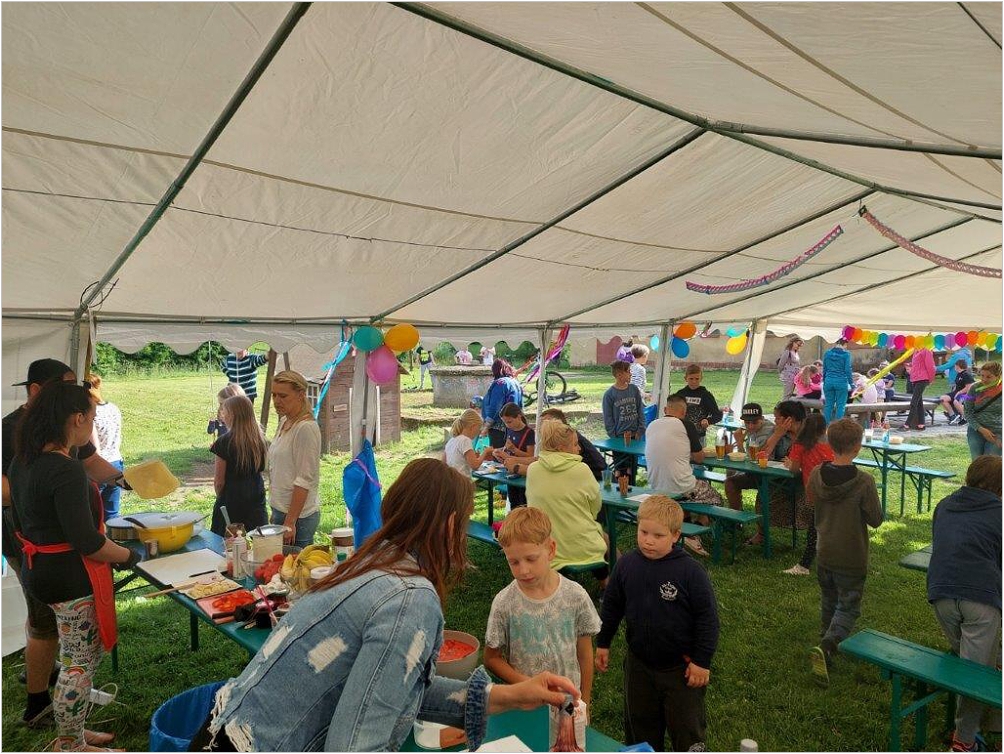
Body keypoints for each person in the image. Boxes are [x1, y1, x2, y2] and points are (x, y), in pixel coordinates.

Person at [195, 458, 579, 752]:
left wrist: (513, 695)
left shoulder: (369, 561)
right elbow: (356, 747)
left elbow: (393, 686)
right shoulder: (410, 599)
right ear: (450, 526)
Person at [8, 381, 140, 751]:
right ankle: (69, 744)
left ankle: (74, 733)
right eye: (92, 419)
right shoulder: (65, 469)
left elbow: (18, 521)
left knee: (73, 657)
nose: (92, 427)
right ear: (77, 419)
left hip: (38, 569)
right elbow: (88, 541)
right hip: (69, 577)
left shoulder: (22, 461)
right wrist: (130, 556)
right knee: (79, 663)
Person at [595, 496, 719, 752]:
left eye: (658, 535)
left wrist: (701, 662)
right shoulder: (626, 564)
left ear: (675, 535)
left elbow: (707, 619)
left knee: (686, 730)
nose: (648, 540)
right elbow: (613, 606)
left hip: (681, 670)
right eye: (643, 532)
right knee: (640, 730)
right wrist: (603, 643)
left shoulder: (690, 572)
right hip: (639, 665)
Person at [485, 508, 601, 704]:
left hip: (568, 702)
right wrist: (528, 685)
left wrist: (585, 702)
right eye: (513, 562)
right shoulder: (504, 602)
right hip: (526, 704)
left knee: (567, 726)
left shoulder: (576, 596)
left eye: (531, 559)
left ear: (551, 550)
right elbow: (491, 658)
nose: (523, 570)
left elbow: (584, 652)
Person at [927, 455, 1001, 753]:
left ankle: (993, 722)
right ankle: (965, 740)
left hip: (941, 593)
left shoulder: (945, 504)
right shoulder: (999, 512)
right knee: (975, 670)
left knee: (978, 660)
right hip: (980, 598)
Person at [808, 418, 883, 686]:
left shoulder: (816, 473)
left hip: (824, 550)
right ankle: (828, 645)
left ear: (830, 443)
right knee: (849, 606)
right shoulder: (864, 481)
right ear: (858, 447)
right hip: (851, 554)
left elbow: (811, 501)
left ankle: (825, 639)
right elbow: (876, 519)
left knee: (829, 599)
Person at [527, 420, 607, 585]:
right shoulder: (581, 469)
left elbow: (532, 507)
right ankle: (606, 585)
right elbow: (596, 507)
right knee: (593, 534)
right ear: (562, 448)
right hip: (580, 545)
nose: (579, 449)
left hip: (543, 546)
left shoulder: (533, 469)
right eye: (576, 444)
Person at [645, 395, 724, 557]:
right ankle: (695, 532)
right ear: (684, 412)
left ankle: (686, 525)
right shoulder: (686, 425)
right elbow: (699, 458)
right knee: (716, 498)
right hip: (680, 486)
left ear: (666, 410)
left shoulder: (652, 425)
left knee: (687, 496)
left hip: (655, 486)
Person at [267, 371, 322, 547]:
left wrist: (290, 521)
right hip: (281, 509)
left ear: (300, 395)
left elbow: (304, 480)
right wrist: (276, 510)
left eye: (283, 396)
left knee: (297, 563)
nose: (277, 401)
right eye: (274, 395)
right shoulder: (284, 421)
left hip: (299, 517)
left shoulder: (306, 428)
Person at [782, 414, 833, 576]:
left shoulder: (800, 446)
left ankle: (804, 565)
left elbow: (794, 470)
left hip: (814, 492)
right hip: (833, 490)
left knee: (814, 529)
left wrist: (790, 464)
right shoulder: (830, 445)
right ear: (824, 429)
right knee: (824, 527)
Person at [210, 395, 268, 536]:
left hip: (231, 499)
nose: (222, 415)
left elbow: (219, 482)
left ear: (232, 415)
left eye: (224, 412)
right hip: (255, 496)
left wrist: (220, 498)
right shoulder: (260, 440)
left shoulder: (224, 442)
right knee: (260, 539)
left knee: (227, 542)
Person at [497, 408, 606, 482]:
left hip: (597, 477)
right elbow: (541, 460)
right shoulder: (558, 438)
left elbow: (547, 469)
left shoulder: (568, 439)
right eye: (542, 424)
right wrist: (511, 459)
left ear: (557, 423)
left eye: (546, 423)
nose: (542, 427)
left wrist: (516, 466)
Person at [87, 375, 124, 520]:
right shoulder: (113, 408)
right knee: (112, 515)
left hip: (99, 467)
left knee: (93, 515)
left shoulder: (91, 413)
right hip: (116, 463)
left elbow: (95, 450)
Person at [603, 361, 645, 484]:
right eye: (628, 371)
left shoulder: (634, 389)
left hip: (634, 436)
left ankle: (632, 489)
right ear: (619, 375)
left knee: (632, 469)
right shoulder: (609, 395)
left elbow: (640, 410)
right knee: (621, 470)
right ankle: (620, 490)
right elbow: (608, 418)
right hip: (619, 439)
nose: (631, 374)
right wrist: (614, 437)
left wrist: (640, 429)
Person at [491, 403, 535, 510]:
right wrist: (498, 452)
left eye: (509, 422)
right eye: (505, 422)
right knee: (513, 501)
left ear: (519, 417)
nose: (507, 425)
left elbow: (530, 456)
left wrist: (513, 450)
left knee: (523, 503)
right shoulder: (509, 429)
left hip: (522, 473)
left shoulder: (529, 433)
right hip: (510, 472)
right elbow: (507, 447)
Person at [957, 361, 1002, 458]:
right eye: (982, 376)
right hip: (976, 430)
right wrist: (981, 429)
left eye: (988, 377)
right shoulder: (974, 388)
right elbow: (967, 412)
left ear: (998, 376)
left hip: (998, 432)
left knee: (991, 462)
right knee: (977, 461)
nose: (984, 379)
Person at [672, 364, 722, 446]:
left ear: (701, 378)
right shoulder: (680, 394)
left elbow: (717, 415)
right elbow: (672, 411)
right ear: (685, 378)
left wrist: (708, 420)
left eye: (697, 379)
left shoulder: (706, 395)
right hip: (681, 434)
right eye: (691, 379)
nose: (694, 381)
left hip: (699, 437)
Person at [481, 359, 523, 449]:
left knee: (498, 454)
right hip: (514, 425)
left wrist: (486, 426)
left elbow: (495, 406)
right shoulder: (516, 383)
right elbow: (520, 405)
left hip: (499, 428)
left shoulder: (500, 383)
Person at [444, 409, 492, 475]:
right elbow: (475, 466)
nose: (478, 432)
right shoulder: (465, 440)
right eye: (478, 429)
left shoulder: (451, 440)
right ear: (473, 427)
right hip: (462, 479)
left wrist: (474, 457)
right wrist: (485, 452)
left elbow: (443, 462)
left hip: (451, 478)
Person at [821, 338, 853, 423]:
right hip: (841, 382)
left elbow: (824, 369)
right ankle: (838, 427)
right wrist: (852, 384)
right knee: (840, 406)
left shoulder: (827, 353)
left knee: (828, 405)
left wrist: (824, 380)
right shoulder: (846, 354)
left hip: (828, 381)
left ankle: (826, 427)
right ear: (844, 344)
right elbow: (847, 370)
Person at [904, 345, 935, 431]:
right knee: (919, 402)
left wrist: (931, 379)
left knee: (913, 402)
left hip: (923, 379)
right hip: (915, 379)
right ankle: (921, 424)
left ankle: (907, 424)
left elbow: (930, 366)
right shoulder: (916, 350)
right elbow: (915, 366)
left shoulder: (926, 350)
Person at [940, 360, 975, 425]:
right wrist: (953, 392)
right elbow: (957, 386)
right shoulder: (959, 374)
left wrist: (959, 392)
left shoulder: (966, 374)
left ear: (958, 366)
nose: (954, 367)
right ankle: (953, 416)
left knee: (956, 401)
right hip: (957, 393)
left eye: (955, 366)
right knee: (942, 398)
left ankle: (966, 418)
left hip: (968, 395)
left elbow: (969, 387)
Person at [777, 336, 803, 400]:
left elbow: (797, 364)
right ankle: (783, 405)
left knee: (791, 394)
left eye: (800, 346)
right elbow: (781, 364)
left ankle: (787, 405)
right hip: (788, 376)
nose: (798, 347)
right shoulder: (787, 352)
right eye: (798, 344)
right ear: (793, 342)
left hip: (795, 376)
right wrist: (783, 373)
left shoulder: (795, 352)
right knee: (787, 394)